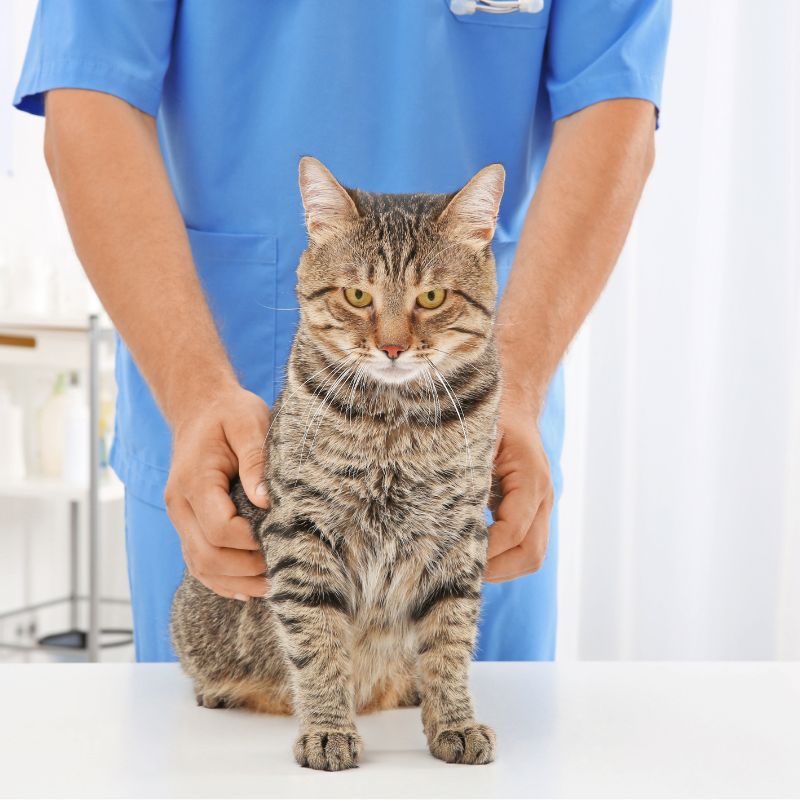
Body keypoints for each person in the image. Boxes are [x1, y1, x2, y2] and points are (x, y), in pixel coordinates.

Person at [14, 1, 670, 663]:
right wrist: (192, 393)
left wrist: (515, 385)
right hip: (218, 424)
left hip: (475, 439)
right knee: (213, 746)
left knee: (472, 738)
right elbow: (89, 95)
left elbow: (615, 108)